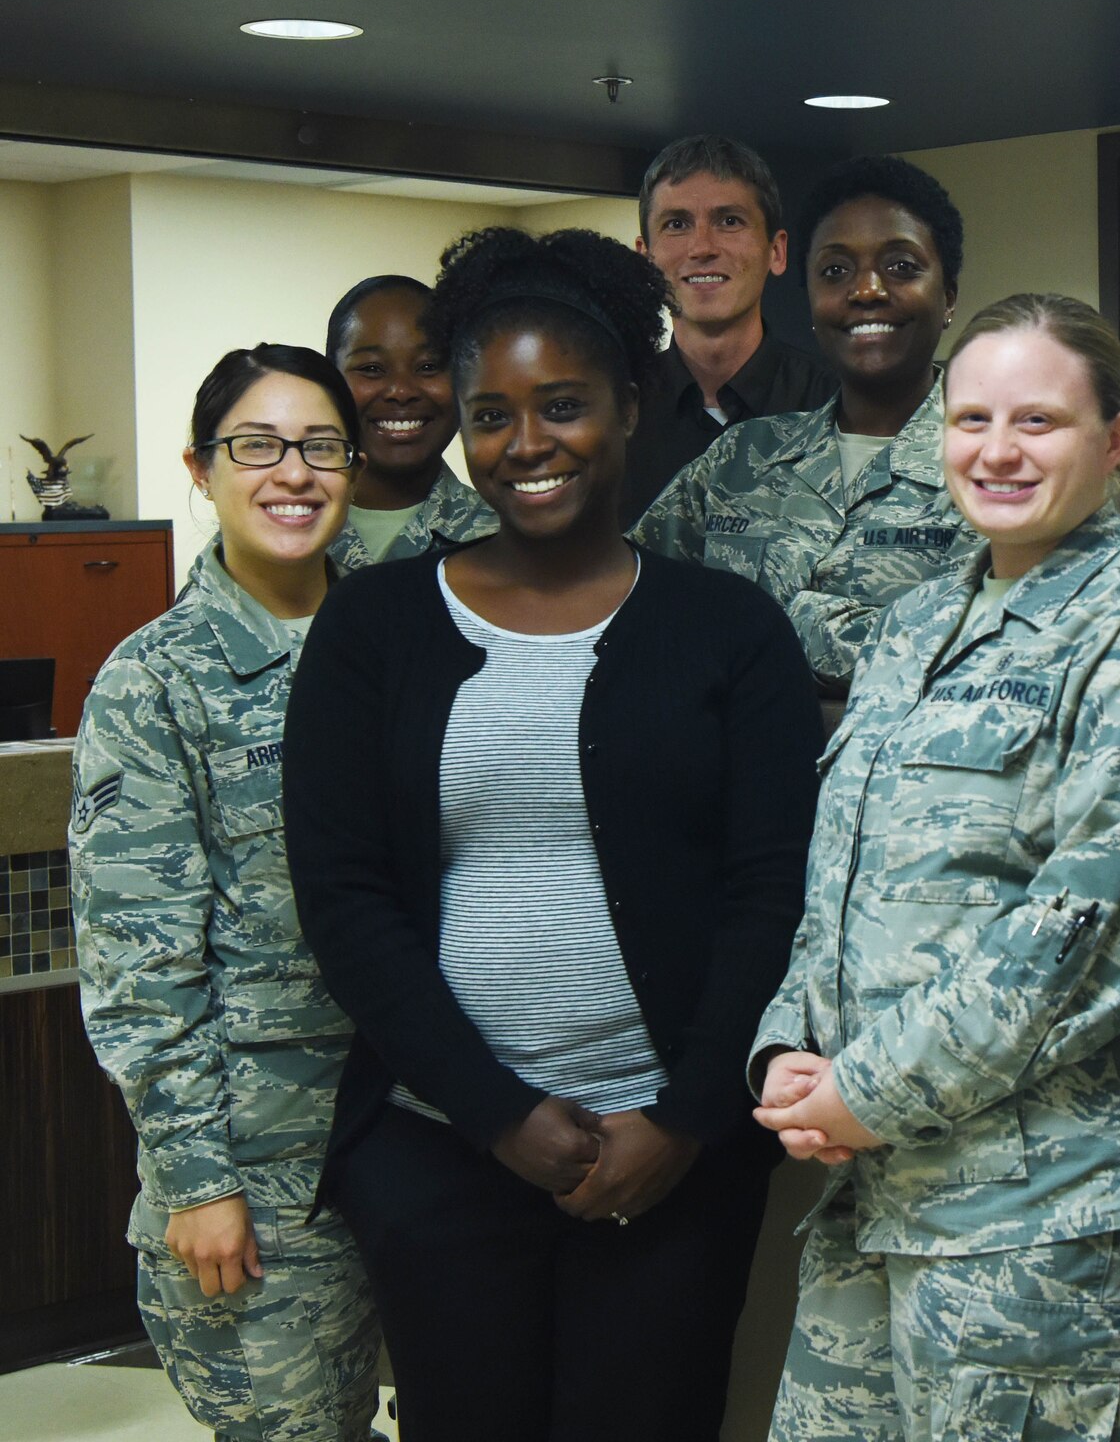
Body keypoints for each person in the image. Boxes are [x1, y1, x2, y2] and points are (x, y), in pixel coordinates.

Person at [284, 227, 822, 1442]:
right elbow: (345, 895)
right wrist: (495, 1113)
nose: (526, 444)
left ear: (631, 406)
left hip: (671, 1159)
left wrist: (684, 1117)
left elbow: (766, 887)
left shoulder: (724, 628)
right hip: (442, 1153)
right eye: (492, 414)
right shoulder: (375, 627)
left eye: (564, 404)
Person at [753, 293, 1120, 1442]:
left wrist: (861, 1092)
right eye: (970, 417)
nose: (997, 450)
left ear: (1116, 442)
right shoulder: (914, 624)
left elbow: (1082, 944)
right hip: (874, 1199)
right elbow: (843, 875)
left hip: (1036, 1228)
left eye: (1038, 420)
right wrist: (788, 1045)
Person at [70, 344, 381, 1442]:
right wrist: (197, 1180)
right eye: (256, 446)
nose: (291, 472)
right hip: (262, 1169)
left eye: (320, 446)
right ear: (201, 469)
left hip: (424, 1143)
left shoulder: (403, 638)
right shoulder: (154, 680)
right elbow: (140, 968)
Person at [632, 155, 980, 696]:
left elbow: (981, 662)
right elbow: (631, 602)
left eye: (902, 267)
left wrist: (754, 628)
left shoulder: (998, 468)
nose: (866, 290)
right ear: (812, 299)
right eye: (835, 271)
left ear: (949, 295)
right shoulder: (740, 458)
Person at [621, 133, 839, 524]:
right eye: (676, 224)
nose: (702, 247)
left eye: (729, 221)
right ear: (645, 258)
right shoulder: (613, 413)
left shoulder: (837, 406)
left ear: (776, 252)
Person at [324, 274, 496, 570]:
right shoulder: (281, 525)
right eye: (372, 368)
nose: (401, 391)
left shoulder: (505, 544)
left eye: (429, 366)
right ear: (330, 381)